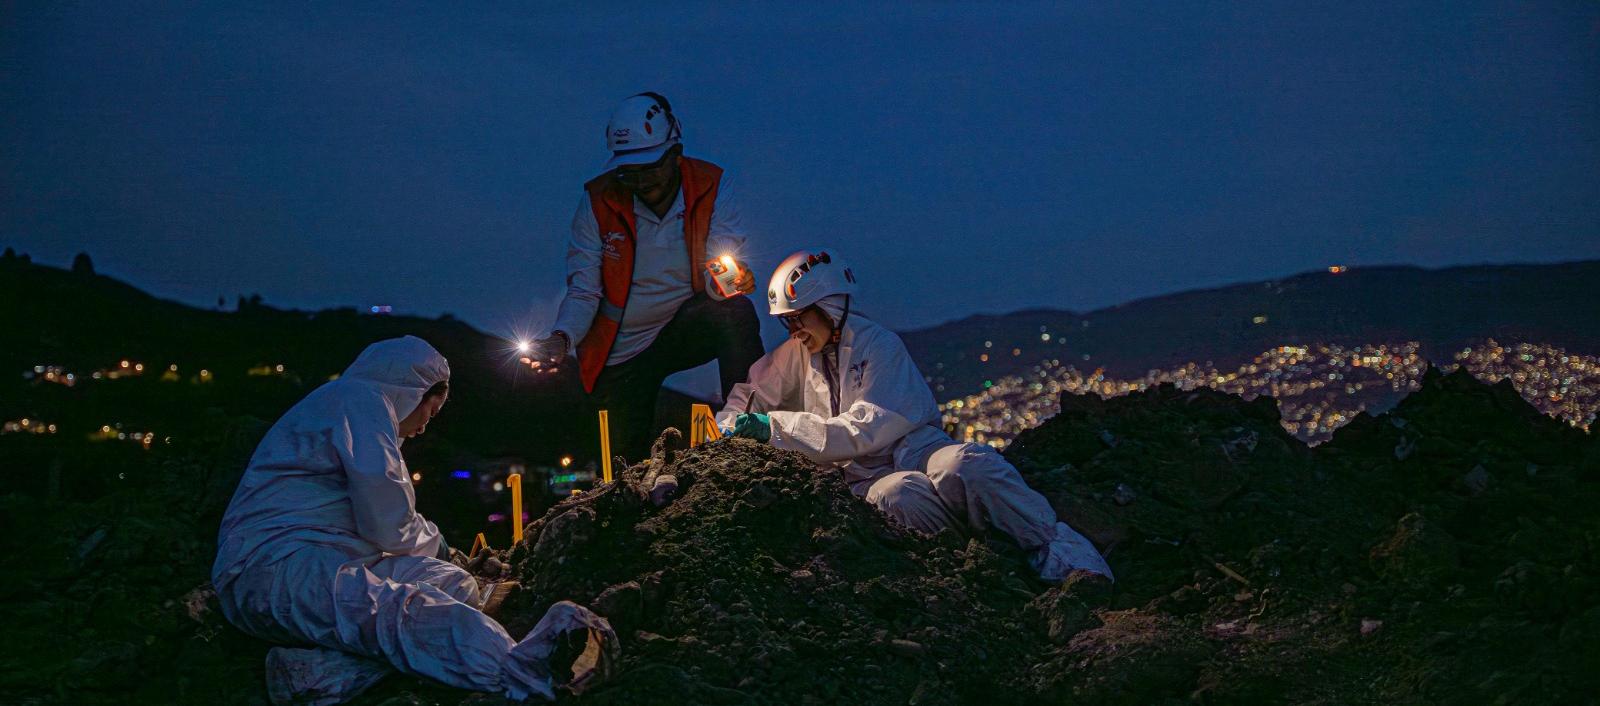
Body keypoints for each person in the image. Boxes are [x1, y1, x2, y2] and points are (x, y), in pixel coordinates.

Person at [212, 336, 616, 702]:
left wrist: (447, 560)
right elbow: (386, 520)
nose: (425, 426)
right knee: (402, 609)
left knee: (452, 583)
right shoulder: (360, 401)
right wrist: (442, 547)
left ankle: (315, 677)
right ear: (413, 392)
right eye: (432, 409)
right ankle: (522, 676)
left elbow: (384, 518)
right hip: (273, 567)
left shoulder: (353, 406)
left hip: (324, 554)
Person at [716, 250, 1113, 582]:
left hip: (916, 448)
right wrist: (730, 423)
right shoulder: (797, 354)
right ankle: (982, 571)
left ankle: (1064, 559)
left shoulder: (879, 346)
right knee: (896, 496)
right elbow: (751, 394)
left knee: (967, 465)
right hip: (865, 477)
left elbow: (863, 428)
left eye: (799, 317)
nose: (793, 329)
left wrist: (775, 428)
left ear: (830, 307)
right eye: (787, 321)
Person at [525, 92, 764, 461]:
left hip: (681, 326)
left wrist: (732, 282)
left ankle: (749, 434)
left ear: (675, 153)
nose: (640, 179)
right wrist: (562, 338)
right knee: (622, 462)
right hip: (622, 352)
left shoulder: (710, 184)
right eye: (628, 170)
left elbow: (720, 267)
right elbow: (584, 289)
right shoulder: (598, 200)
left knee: (736, 312)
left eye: (650, 166)